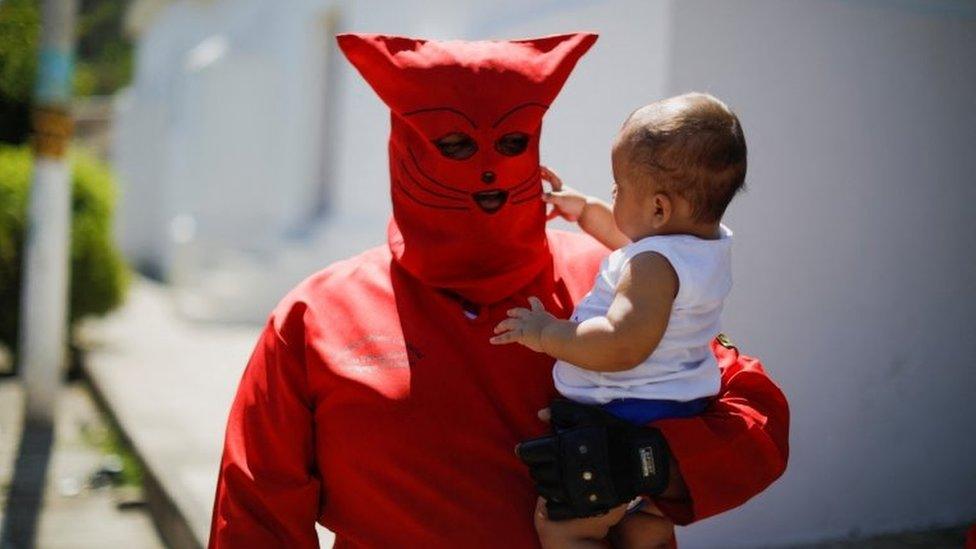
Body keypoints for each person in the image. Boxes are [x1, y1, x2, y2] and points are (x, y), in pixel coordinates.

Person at [208, 33, 789, 548]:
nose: (486, 169)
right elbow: (256, 517)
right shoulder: (315, 317)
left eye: (510, 143)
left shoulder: (617, 277)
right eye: (456, 145)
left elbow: (753, 414)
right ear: (404, 149)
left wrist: (651, 463)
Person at [491, 92, 746, 548]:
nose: (612, 194)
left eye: (618, 187)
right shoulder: (707, 248)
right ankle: (648, 523)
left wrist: (548, 333)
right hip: (676, 416)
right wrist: (586, 210)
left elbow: (623, 344)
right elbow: (635, 243)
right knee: (642, 527)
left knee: (564, 527)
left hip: (619, 420)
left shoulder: (653, 266)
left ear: (659, 208)